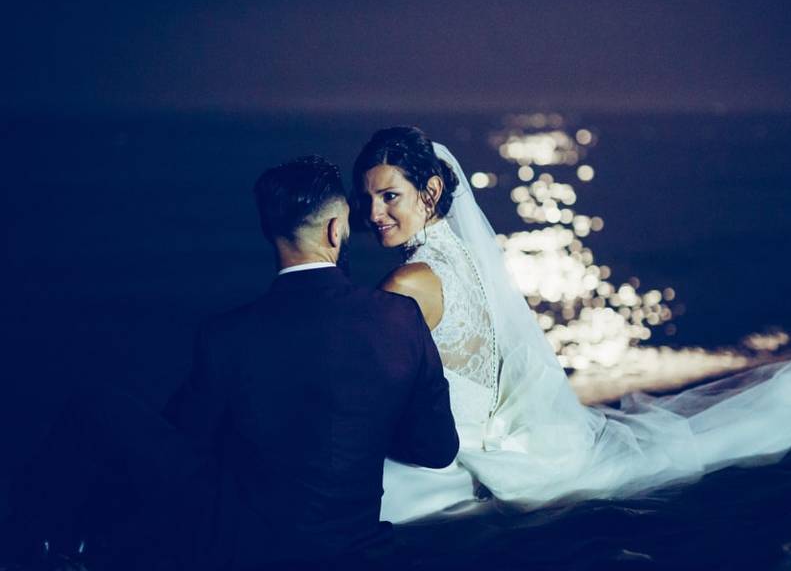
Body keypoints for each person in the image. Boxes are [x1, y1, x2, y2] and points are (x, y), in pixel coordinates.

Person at [351, 126, 791, 524]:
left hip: (475, 454)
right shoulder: (465, 264)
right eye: (368, 199)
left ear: (431, 191)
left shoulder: (406, 284)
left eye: (390, 197)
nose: (374, 213)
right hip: (510, 437)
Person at [3, 155, 459, 570]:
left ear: (269, 232)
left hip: (248, 546)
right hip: (356, 545)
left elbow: (190, 441)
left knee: (95, 407)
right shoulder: (400, 317)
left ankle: (44, 549)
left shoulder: (228, 334)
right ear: (336, 230)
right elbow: (436, 449)